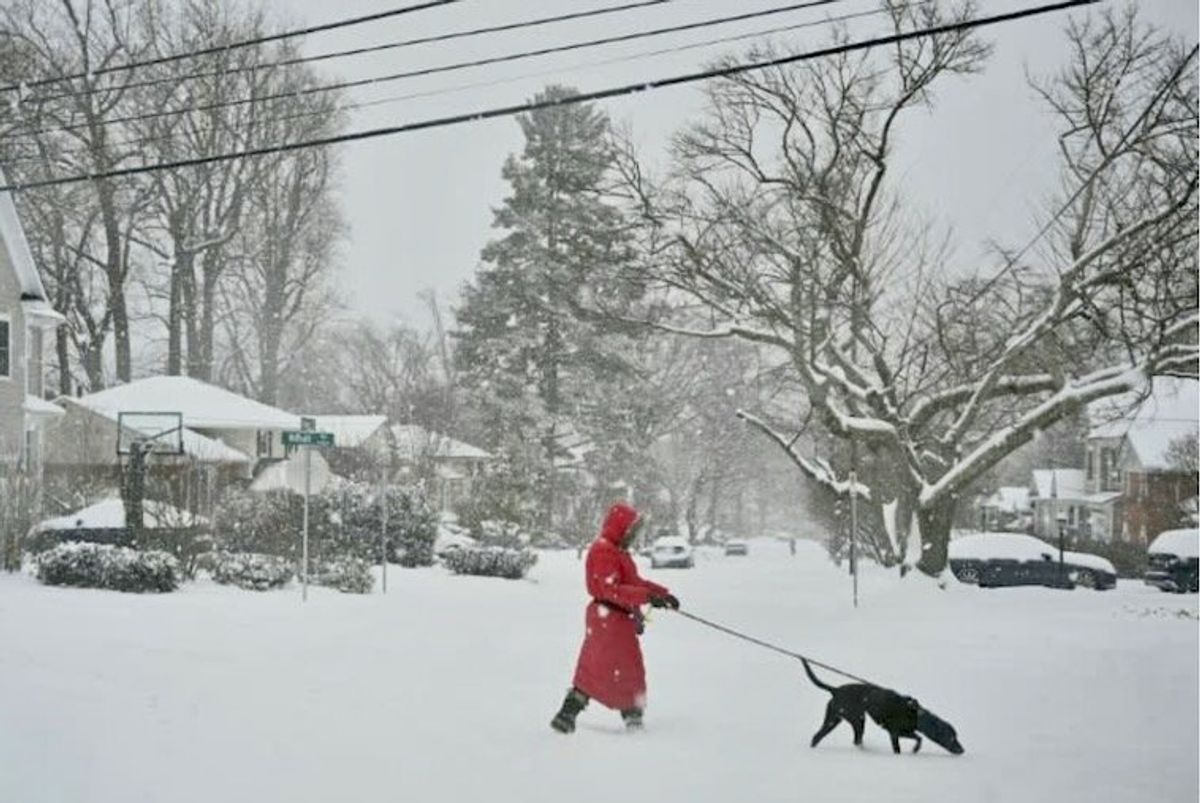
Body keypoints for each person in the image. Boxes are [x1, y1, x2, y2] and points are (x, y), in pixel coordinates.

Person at [550, 502, 679, 734]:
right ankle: (629, 716)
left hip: (616, 620)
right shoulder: (603, 551)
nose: (634, 536)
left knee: (611, 667)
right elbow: (611, 589)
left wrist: (661, 594)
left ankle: (571, 714)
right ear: (621, 527)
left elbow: (634, 583)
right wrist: (647, 596)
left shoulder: (618, 552)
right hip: (607, 618)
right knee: (608, 668)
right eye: (632, 530)